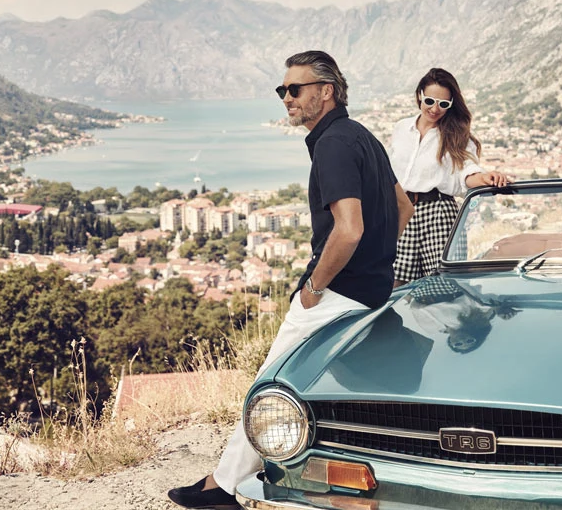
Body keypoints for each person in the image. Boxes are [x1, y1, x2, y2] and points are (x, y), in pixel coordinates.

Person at [167, 50, 414, 509]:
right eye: (282, 90)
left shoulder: (334, 144)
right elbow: (403, 207)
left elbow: (349, 228)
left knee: (271, 384)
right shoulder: (363, 137)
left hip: (337, 293)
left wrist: (315, 288)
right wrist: (378, 260)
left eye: (295, 89)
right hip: (373, 291)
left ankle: (223, 487)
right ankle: (235, 478)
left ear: (327, 91)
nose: (286, 98)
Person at [389, 67, 509, 286]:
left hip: (438, 212)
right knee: (393, 284)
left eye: (443, 104)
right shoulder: (401, 128)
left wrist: (485, 178)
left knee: (441, 287)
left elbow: (467, 172)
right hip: (400, 210)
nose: (435, 109)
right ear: (420, 96)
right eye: (430, 101)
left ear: (451, 105)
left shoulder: (456, 135)